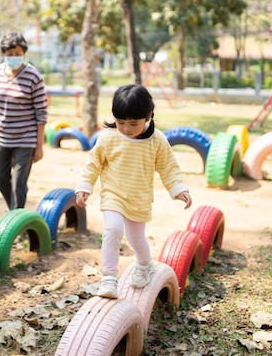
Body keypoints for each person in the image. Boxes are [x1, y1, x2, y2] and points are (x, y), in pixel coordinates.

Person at [75, 84, 192, 299]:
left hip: (139, 199)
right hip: (113, 195)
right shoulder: (108, 138)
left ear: (148, 116)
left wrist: (178, 188)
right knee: (112, 229)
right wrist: (85, 186)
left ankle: (145, 264)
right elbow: (93, 163)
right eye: (121, 122)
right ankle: (109, 277)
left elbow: (168, 167)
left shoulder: (157, 140)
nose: (127, 128)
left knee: (136, 239)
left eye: (133, 123)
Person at [0, 31, 48, 210]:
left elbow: (41, 113)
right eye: (9, 55)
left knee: (18, 184)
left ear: (24, 53)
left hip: (25, 139)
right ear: (3, 54)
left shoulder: (33, 76)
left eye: (18, 54)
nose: (14, 58)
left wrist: (39, 145)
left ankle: (15, 222)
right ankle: (15, 213)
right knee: (0, 178)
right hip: (1, 137)